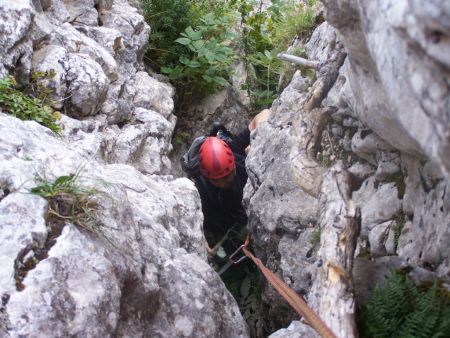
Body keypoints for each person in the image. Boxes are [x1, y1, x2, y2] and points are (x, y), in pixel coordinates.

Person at [181, 109, 270, 252]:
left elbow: (265, 113)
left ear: (233, 163)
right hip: (226, 222)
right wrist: (201, 241)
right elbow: (188, 216)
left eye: (226, 176)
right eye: (216, 180)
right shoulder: (201, 188)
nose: (223, 184)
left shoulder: (234, 149)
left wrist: (256, 141)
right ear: (206, 176)